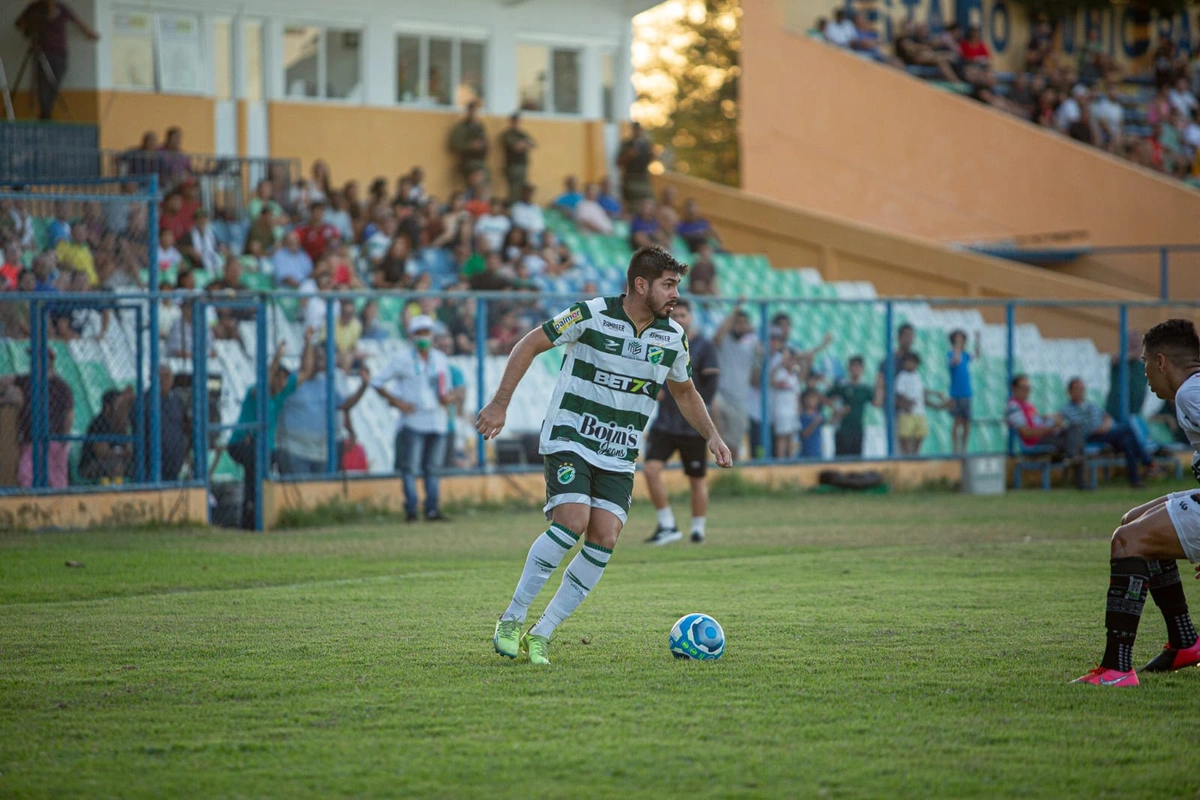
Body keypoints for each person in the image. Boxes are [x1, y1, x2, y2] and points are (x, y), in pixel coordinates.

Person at [478, 246, 732, 665]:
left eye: (677, 287)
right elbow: (528, 344)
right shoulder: (590, 314)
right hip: (570, 437)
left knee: (604, 537)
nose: (675, 296)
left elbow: (685, 392)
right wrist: (500, 403)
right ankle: (512, 619)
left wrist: (712, 436)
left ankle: (542, 634)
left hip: (618, 453)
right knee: (573, 521)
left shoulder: (672, 337)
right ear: (640, 284)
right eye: (668, 285)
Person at [1073, 319, 1200, 686]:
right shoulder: (1190, 392)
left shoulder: (1192, 395)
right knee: (1133, 521)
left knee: (1126, 542)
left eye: (1144, 363)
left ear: (1161, 362)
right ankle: (1185, 642)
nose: (1143, 374)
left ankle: (1116, 669)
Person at [643, 299, 720, 545]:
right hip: (665, 423)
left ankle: (698, 528)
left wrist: (699, 409)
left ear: (691, 317)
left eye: (683, 315)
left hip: (691, 425)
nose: (679, 319)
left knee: (696, 479)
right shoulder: (658, 341)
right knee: (651, 469)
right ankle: (667, 524)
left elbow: (711, 384)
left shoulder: (703, 346)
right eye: (674, 315)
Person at [372, 315, 453, 522]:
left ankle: (432, 509)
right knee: (410, 468)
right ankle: (411, 510)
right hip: (413, 420)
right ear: (411, 336)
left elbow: (446, 389)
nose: (423, 337)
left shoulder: (441, 359)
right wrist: (397, 402)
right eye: (419, 333)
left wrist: (449, 397)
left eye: (426, 332)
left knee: (432, 469)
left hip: (437, 420)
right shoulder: (402, 359)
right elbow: (377, 381)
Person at [275, 336, 370, 476]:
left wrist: (363, 386)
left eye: (322, 358)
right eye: (317, 358)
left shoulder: (326, 382)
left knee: (320, 494)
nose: (322, 362)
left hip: (320, 452)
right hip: (293, 450)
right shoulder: (290, 381)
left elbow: (344, 405)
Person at [227, 340, 295, 529]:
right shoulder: (255, 391)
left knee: (259, 474)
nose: (282, 383)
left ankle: (253, 518)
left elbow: (305, 373)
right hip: (241, 443)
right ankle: (252, 517)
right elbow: (263, 384)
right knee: (256, 471)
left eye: (284, 379)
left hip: (260, 447)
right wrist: (277, 357)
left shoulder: (278, 397)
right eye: (278, 377)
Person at [1060, 377, 1154, 489]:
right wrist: (1097, 428)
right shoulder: (1066, 409)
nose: (1080, 391)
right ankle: (1147, 462)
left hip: (1105, 434)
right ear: (1070, 392)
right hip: (1089, 436)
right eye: (1077, 389)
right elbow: (1077, 428)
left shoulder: (1091, 405)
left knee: (1128, 442)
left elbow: (1106, 417)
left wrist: (1105, 425)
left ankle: (1136, 479)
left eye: (1082, 388)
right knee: (1127, 430)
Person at [15, 0, 99, 120]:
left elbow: (76, 20)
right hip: (42, 51)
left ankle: (47, 110)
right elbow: (19, 23)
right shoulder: (35, 7)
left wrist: (88, 33)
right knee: (42, 83)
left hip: (60, 53)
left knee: (55, 83)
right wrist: (28, 27)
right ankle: (45, 113)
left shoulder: (61, 8)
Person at [713, 306, 757, 461]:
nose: (740, 326)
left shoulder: (751, 347)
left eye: (744, 323)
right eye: (737, 322)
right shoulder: (724, 341)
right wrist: (736, 308)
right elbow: (717, 335)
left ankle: (731, 472)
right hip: (721, 394)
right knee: (714, 407)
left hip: (739, 400)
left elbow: (755, 378)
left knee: (734, 444)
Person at [79, 387, 133, 484]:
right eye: (117, 404)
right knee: (114, 464)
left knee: (136, 464)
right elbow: (101, 452)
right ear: (108, 407)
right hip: (91, 465)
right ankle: (115, 494)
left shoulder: (118, 423)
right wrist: (122, 453)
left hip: (115, 459)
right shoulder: (99, 423)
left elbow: (127, 447)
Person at [828, 355, 876, 458]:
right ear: (848, 368)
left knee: (856, 459)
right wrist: (837, 410)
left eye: (858, 367)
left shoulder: (865, 388)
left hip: (857, 428)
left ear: (863, 370)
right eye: (853, 366)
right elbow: (825, 398)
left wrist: (880, 385)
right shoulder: (842, 385)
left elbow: (876, 403)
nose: (856, 369)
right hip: (842, 428)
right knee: (841, 459)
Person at [947, 329, 980, 454]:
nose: (960, 341)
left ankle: (964, 448)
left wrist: (977, 340)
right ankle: (955, 448)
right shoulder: (950, 354)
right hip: (956, 394)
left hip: (967, 393)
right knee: (957, 421)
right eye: (957, 339)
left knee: (966, 422)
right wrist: (957, 346)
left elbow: (976, 354)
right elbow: (955, 361)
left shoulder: (966, 355)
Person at [449, 100, 489, 184]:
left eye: (477, 111)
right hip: (469, 162)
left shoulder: (480, 126)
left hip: (481, 161)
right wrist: (470, 145)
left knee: (484, 188)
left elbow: (486, 143)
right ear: (469, 111)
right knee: (472, 187)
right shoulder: (462, 126)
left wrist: (482, 146)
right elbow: (456, 144)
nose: (475, 114)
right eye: (473, 111)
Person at [616, 122, 655, 207]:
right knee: (634, 206)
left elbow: (651, 159)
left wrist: (651, 152)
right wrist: (629, 155)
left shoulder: (646, 144)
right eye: (635, 129)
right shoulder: (627, 144)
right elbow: (618, 162)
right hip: (631, 179)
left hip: (643, 178)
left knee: (650, 203)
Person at [501, 112, 535, 203]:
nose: (517, 122)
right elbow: (516, 147)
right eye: (515, 120)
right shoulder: (508, 134)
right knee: (514, 191)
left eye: (518, 120)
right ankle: (512, 209)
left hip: (522, 164)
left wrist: (523, 145)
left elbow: (533, 144)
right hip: (513, 165)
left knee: (522, 190)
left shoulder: (522, 134)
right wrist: (524, 144)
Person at [798, 388, 825, 460]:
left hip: (817, 451)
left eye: (814, 398)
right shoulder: (802, 416)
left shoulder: (819, 414)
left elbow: (830, 422)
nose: (811, 401)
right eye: (809, 398)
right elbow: (804, 434)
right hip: (806, 452)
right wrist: (815, 423)